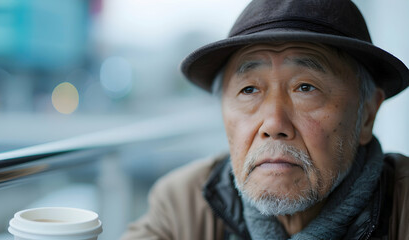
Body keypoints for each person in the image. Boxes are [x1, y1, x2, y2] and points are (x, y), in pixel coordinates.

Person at [121, 0, 409, 239]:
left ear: (368, 114)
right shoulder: (182, 204)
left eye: (305, 88)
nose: (273, 124)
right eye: (249, 89)